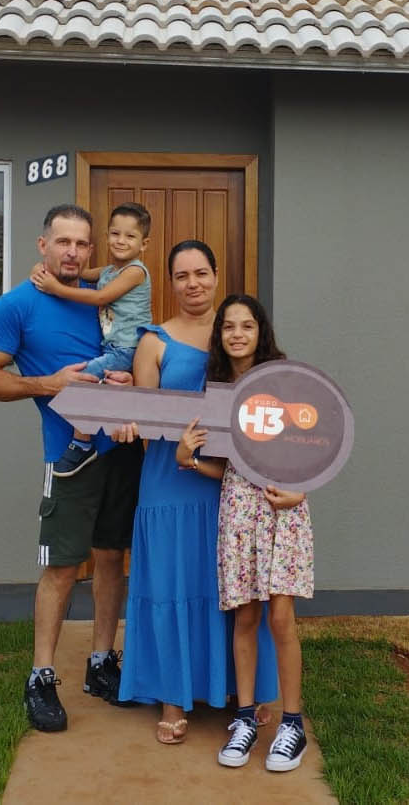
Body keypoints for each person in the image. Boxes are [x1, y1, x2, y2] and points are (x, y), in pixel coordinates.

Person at [0, 203, 144, 733]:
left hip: (123, 449)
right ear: (43, 245)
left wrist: (136, 383)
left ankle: (100, 663)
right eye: (63, 242)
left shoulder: (105, 297)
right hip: (69, 458)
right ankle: (41, 675)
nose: (73, 251)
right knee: (63, 566)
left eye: (82, 244)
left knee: (113, 559)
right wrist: (47, 385)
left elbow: (136, 352)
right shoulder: (17, 305)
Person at [113, 241, 279, 745]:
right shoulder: (153, 343)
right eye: (182, 275)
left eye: (201, 273)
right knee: (171, 587)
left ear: (214, 276)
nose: (193, 283)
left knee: (231, 590)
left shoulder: (237, 334)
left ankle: (236, 691)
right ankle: (172, 696)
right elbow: (143, 424)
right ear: (170, 282)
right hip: (168, 484)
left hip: (229, 489)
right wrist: (124, 419)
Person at [177, 294, 314, 771]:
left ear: (261, 332)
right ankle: (245, 720)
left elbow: (313, 445)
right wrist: (190, 459)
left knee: (280, 618)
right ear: (221, 336)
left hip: (282, 509)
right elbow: (232, 469)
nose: (238, 334)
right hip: (238, 510)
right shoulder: (216, 391)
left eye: (247, 326)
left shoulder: (286, 381)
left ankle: (291, 724)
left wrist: (299, 492)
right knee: (245, 618)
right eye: (229, 326)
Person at [29, 201, 153, 475]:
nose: (121, 241)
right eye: (115, 233)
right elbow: (79, 273)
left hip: (128, 348)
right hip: (112, 346)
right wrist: (42, 269)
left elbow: (100, 297)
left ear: (144, 244)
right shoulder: (108, 271)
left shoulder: (135, 272)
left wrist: (55, 288)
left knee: (82, 383)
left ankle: (82, 443)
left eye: (130, 236)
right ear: (107, 236)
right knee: (99, 388)